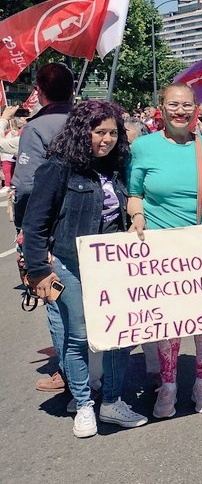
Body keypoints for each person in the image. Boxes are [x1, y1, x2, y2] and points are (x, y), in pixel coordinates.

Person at [23, 101, 148, 437]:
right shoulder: (58, 167)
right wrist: (38, 270)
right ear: (82, 131)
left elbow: (131, 203)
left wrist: (135, 219)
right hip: (71, 264)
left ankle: (112, 401)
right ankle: (83, 404)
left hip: (113, 264)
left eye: (112, 133)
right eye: (99, 132)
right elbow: (35, 222)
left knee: (119, 336)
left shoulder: (118, 166)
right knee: (78, 337)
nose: (106, 140)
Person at [128, 83, 202, 418]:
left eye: (187, 105)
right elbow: (134, 194)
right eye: (173, 105)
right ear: (160, 107)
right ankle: (169, 384)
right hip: (163, 249)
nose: (180, 111)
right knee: (170, 321)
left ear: (197, 110)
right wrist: (136, 216)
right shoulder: (144, 147)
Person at [13, 63, 75, 393]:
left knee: (56, 301)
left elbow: (25, 186)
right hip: (91, 222)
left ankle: (67, 371)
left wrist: (24, 227)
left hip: (50, 227)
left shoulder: (36, 128)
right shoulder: (88, 120)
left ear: (40, 90)